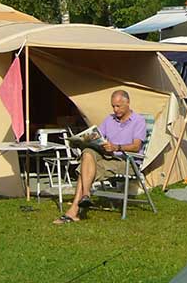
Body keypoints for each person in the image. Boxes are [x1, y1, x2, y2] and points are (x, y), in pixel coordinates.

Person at [54, 89, 146, 224]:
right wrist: (85, 141)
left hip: (126, 160)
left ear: (128, 103)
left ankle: (74, 209)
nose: (115, 110)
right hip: (107, 156)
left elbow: (136, 146)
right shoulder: (110, 120)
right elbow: (98, 136)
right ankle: (85, 195)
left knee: (84, 169)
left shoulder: (138, 121)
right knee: (87, 152)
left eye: (118, 106)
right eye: (113, 106)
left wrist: (116, 147)